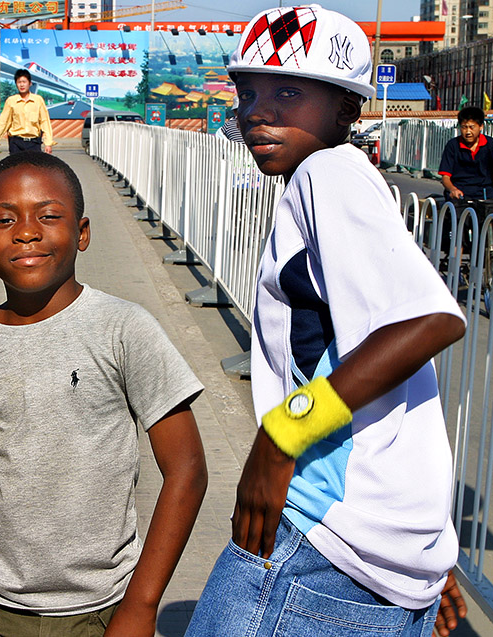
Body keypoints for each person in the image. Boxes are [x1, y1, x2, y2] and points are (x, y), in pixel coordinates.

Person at [184, 6, 468, 636]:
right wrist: (421, 565)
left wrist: (282, 434)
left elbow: (429, 319)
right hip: (374, 553)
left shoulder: (327, 171)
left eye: (288, 92)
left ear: (346, 110)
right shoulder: (336, 178)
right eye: (248, 91)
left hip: (320, 536)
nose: (257, 110)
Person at [0, 152, 207, 636]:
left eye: (49, 216)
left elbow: (187, 469)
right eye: (4, 219)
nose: (26, 231)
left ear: (83, 232)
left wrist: (141, 604)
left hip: (105, 610)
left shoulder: (124, 328)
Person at [439, 106, 493, 203]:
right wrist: (452, 189)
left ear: (481, 127)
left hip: (485, 194)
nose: (468, 132)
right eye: (464, 127)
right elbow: (445, 177)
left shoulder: (490, 144)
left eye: (472, 127)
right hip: (460, 195)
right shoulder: (453, 145)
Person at [0, 69, 55, 158]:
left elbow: (45, 122)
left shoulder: (38, 100)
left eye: (24, 82)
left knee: (35, 170)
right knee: (14, 170)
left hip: (33, 143)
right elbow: (2, 123)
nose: (22, 85)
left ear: (30, 83)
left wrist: (48, 143)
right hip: (16, 143)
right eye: (19, 82)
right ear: (16, 84)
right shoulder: (11, 101)